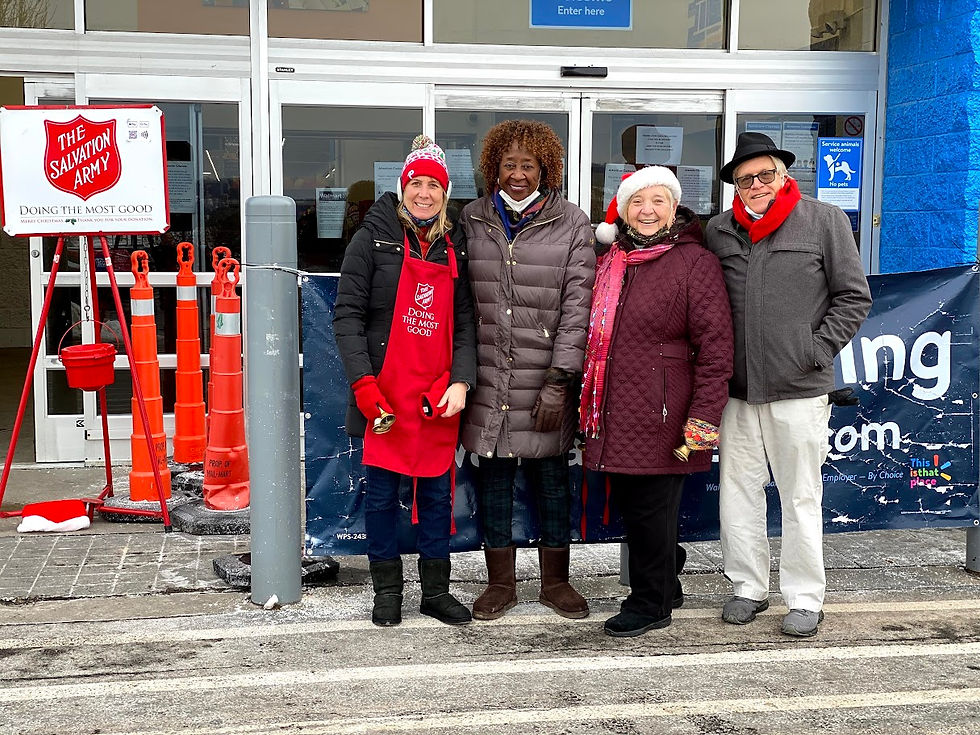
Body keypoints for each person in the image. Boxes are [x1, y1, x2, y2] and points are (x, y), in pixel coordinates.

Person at [705, 132, 872, 637]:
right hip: (737, 390)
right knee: (738, 493)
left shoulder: (824, 220)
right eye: (745, 179)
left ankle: (804, 597)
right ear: (735, 186)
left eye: (765, 174)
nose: (756, 185)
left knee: (800, 496)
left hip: (800, 387)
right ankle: (748, 587)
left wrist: (815, 351)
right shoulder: (719, 230)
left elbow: (853, 297)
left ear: (784, 175)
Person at [582, 166, 733, 637]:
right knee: (638, 507)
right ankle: (667, 577)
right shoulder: (611, 259)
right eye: (637, 202)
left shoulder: (695, 263)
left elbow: (716, 348)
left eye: (657, 201)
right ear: (623, 211)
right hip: (615, 406)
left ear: (674, 208)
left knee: (652, 508)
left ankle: (651, 603)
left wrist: (704, 416)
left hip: (665, 409)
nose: (646, 210)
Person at [333, 135, 477, 628]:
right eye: (416, 183)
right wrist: (364, 387)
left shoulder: (455, 245)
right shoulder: (370, 239)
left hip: (435, 394)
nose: (424, 193)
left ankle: (436, 592)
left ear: (445, 192)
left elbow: (466, 324)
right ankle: (387, 591)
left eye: (434, 185)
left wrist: (461, 382)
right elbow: (347, 318)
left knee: (437, 497)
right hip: (385, 393)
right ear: (402, 186)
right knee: (380, 498)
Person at [460, 120, 596, 620]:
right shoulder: (473, 218)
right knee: (494, 482)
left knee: (552, 483)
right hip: (489, 376)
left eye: (529, 165)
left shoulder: (572, 223)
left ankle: (556, 582)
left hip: (545, 379)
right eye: (508, 164)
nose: (518, 175)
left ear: (546, 169)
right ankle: (501, 584)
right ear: (493, 167)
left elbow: (578, 309)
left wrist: (560, 381)